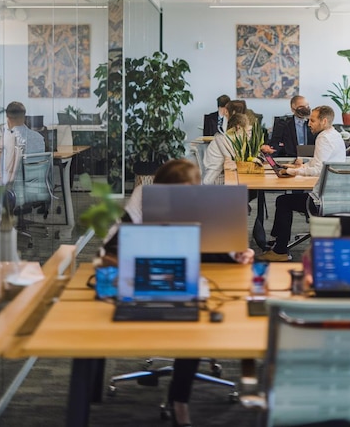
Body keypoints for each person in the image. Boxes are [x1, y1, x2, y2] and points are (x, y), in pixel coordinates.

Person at [102, 159, 253, 427]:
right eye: (177, 192)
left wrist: (240, 252)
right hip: (153, 273)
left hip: (199, 267)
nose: (183, 199)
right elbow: (108, 251)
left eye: (189, 192)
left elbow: (224, 243)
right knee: (191, 322)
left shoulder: (202, 202)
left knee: (198, 316)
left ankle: (180, 397)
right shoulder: (144, 198)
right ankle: (180, 400)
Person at [259, 105, 346, 262]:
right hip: (335, 198)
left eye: (312, 120)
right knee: (286, 200)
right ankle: (276, 242)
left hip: (321, 201)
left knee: (283, 201)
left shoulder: (323, 138)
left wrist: (292, 172)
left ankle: (280, 251)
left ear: (324, 121)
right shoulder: (335, 135)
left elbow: (317, 169)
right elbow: (317, 163)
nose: (309, 123)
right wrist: (298, 167)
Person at [0, 101, 45, 183]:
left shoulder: (7, 140)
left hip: (14, 187)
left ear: (7, 119)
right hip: (35, 184)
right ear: (24, 117)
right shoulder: (39, 138)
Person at [202, 113, 249, 185]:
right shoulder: (226, 141)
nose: (247, 134)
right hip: (216, 181)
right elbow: (235, 162)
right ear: (238, 127)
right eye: (246, 131)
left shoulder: (224, 138)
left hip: (214, 178)